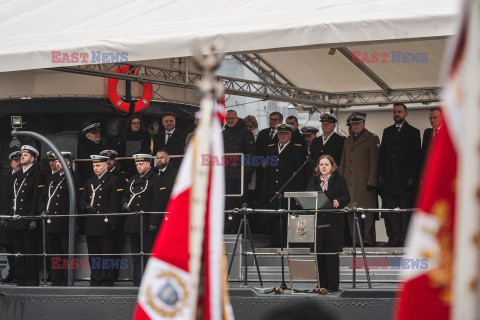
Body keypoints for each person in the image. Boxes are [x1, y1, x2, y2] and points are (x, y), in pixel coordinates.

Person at [378, 103, 421, 247]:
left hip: (405, 182)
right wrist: (380, 175)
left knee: (405, 213)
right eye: (395, 111)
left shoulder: (413, 132)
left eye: (400, 112)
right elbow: (382, 155)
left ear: (406, 114)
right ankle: (395, 239)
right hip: (390, 181)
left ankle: (405, 240)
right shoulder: (387, 131)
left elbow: (416, 157)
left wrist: (412, 177)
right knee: (393, 214)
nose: (397, 114)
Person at [307, 155, 350, 292]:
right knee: (319, 254)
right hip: (318, 221)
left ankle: (332, 285)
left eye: (326, 164)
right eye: (321, 165)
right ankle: (321, 284)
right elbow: (308, 195)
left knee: (331, 254)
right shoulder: (313, 180)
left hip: (333, 222)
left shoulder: (339, 179)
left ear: (332, 166)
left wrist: (339, 200)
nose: (323, 167)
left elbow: (346, 196)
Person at [79, 155, 123, 286]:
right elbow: (82, 199)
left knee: (106, 254)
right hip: (92, 223)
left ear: (106, 165)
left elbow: (115, 202)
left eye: (98, 165)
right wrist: (86, 207)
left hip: (105, 223)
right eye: (93, 166)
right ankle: (96, 277)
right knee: (94, 254)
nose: (95, 168)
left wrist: (113, 221)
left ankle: (106, 279)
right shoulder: (90, 181)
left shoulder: (114, 180)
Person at [39, 152, 82, 286]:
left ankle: (67, 279)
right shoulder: (51, 178)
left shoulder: (75, 178)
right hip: (52, 221)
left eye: (60, 161)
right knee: (54, 253)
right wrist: (42, 210)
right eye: (56, 161)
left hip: (65, 222)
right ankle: (56, 278)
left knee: (66, 253)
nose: (57, 164)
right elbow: (43, 196)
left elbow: (78, 199)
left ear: (68, 163)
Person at [339, 112, 379, 247]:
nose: (354, 126)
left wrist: (372, 182)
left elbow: (375, 162)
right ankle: (355, 239)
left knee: (366, 213)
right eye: (352, 124)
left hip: (364, 183)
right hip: (349, 182)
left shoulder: (372, 138)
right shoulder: (348, 139)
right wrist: (341, 181)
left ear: (363, 124)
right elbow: (343, 162)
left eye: (357, 124)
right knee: (351, 213)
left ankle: (367, 240)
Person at [7, 145, 45, 286]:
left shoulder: (37, 174)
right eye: (22, 154)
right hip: (15, 218)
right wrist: (9, 216)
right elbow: (12, 197)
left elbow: (36, 197)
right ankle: (20, 278)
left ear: (33, 158)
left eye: (26, 155)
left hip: (27, 219)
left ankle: (31, 279)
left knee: (29, 251)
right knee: (18, 252)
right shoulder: (16, 176)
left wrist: (32, 219)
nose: (22, 156)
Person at [264, 124, 306, 246]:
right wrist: (266, 189)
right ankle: (277, 241)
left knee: (290, 216)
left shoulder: (297, 148)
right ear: (277, 135)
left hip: (290, 189)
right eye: (280, 134)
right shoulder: (271, 148)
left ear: (290, 135)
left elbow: (300, 174)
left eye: (285, 134)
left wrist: (298, 193)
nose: (283, 136)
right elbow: (268, 172)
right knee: (276, 216)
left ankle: (290, 242)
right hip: (274, 189)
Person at [121, 153, 156, 286]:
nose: (138, 166)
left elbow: (157, 202)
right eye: (136, 164)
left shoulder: (155, 179)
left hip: (147, 224)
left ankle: (148, 282)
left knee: (147, 255)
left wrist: (154, 222)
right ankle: (138, 281)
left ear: (148, 164)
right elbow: (125, 195)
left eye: (141, 164)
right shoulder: (133, 180)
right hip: (133, 223)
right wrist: (124, 203)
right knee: (136, 256)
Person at [223, 110, 255, 233]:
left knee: (242, 205)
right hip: (226, 177)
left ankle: (243, 232)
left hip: (241, 177)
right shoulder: (222, 134)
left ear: (237, 118)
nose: (230, 120)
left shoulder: (246, 133)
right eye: (228, 118)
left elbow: (251, 154)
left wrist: (247, 172)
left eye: (232, 118)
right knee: (228, 205)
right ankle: (230, 230)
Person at [0, 151, 22, 283]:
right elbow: (4, 198)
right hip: (6, 217)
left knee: (19, 247)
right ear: (11, 163)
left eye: (19, 160)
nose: (18, 163)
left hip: (18, 217)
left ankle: (19, 273)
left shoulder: (23, 176)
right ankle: (12, 271)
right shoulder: (6, 178)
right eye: (15, 160)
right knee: (8, 245)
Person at [255, 112, 283, 206]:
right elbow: (257, 150)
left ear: (280, 121)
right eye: (270, 119)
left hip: (276, 170)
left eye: (274, 119)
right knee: (262, 196)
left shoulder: (283, 134)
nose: (271, 121)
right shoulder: (263, 133)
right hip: (262, 171)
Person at [151, 149, 177, 229]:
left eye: (161, 158)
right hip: (154, 211)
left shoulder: (174, 173)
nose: (159, 160)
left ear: (168, 159)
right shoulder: (152, 172)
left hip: (168, 209)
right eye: (157, 158)